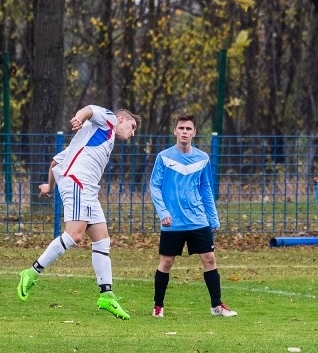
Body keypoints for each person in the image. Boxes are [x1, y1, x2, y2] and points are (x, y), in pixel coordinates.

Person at [16, 105, 141, 320]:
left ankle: (107, 296)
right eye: (132, 126)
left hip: (89, 190)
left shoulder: (90, 138)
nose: (133, 132)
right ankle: (31, 272)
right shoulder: (109, 120)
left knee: (102, 241)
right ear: (122, 119)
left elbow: (56, 161)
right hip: (77, 183)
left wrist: (49, 186)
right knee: (75, 235)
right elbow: (91, 109)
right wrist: (79, 117)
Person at [149, 113, 237, 318]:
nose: (184, 132)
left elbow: (206, 189)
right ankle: (158, 306)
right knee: (166, 262)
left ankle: (216, 306)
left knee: (209, 259)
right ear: (175, 131)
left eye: (188, 129)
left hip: (198, 219)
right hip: (173, 221)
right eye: (181, 128)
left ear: (194, 133)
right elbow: (154, 186)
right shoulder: (164, 157)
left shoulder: (203, 158)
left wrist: (212, 218)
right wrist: (163, 212)